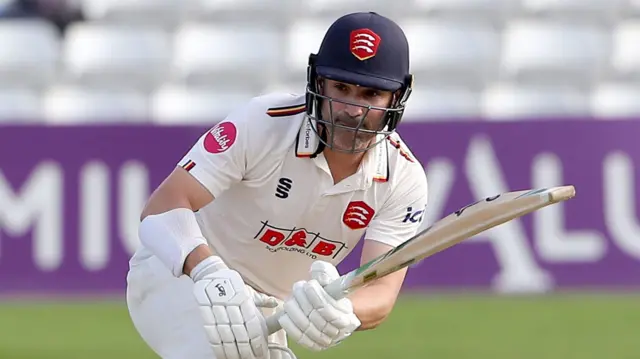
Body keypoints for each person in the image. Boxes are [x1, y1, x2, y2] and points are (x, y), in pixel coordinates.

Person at [125, 11, 429, 359]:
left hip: (266, 308)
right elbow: (161, 208)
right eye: (341, 88)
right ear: (318, 82)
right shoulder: (263, 124)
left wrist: (345, 312)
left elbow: (381, 291)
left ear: (396, 98)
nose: (352, 110)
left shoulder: (403, 178)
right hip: (180, 276)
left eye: (371, 94)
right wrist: (210, 272)